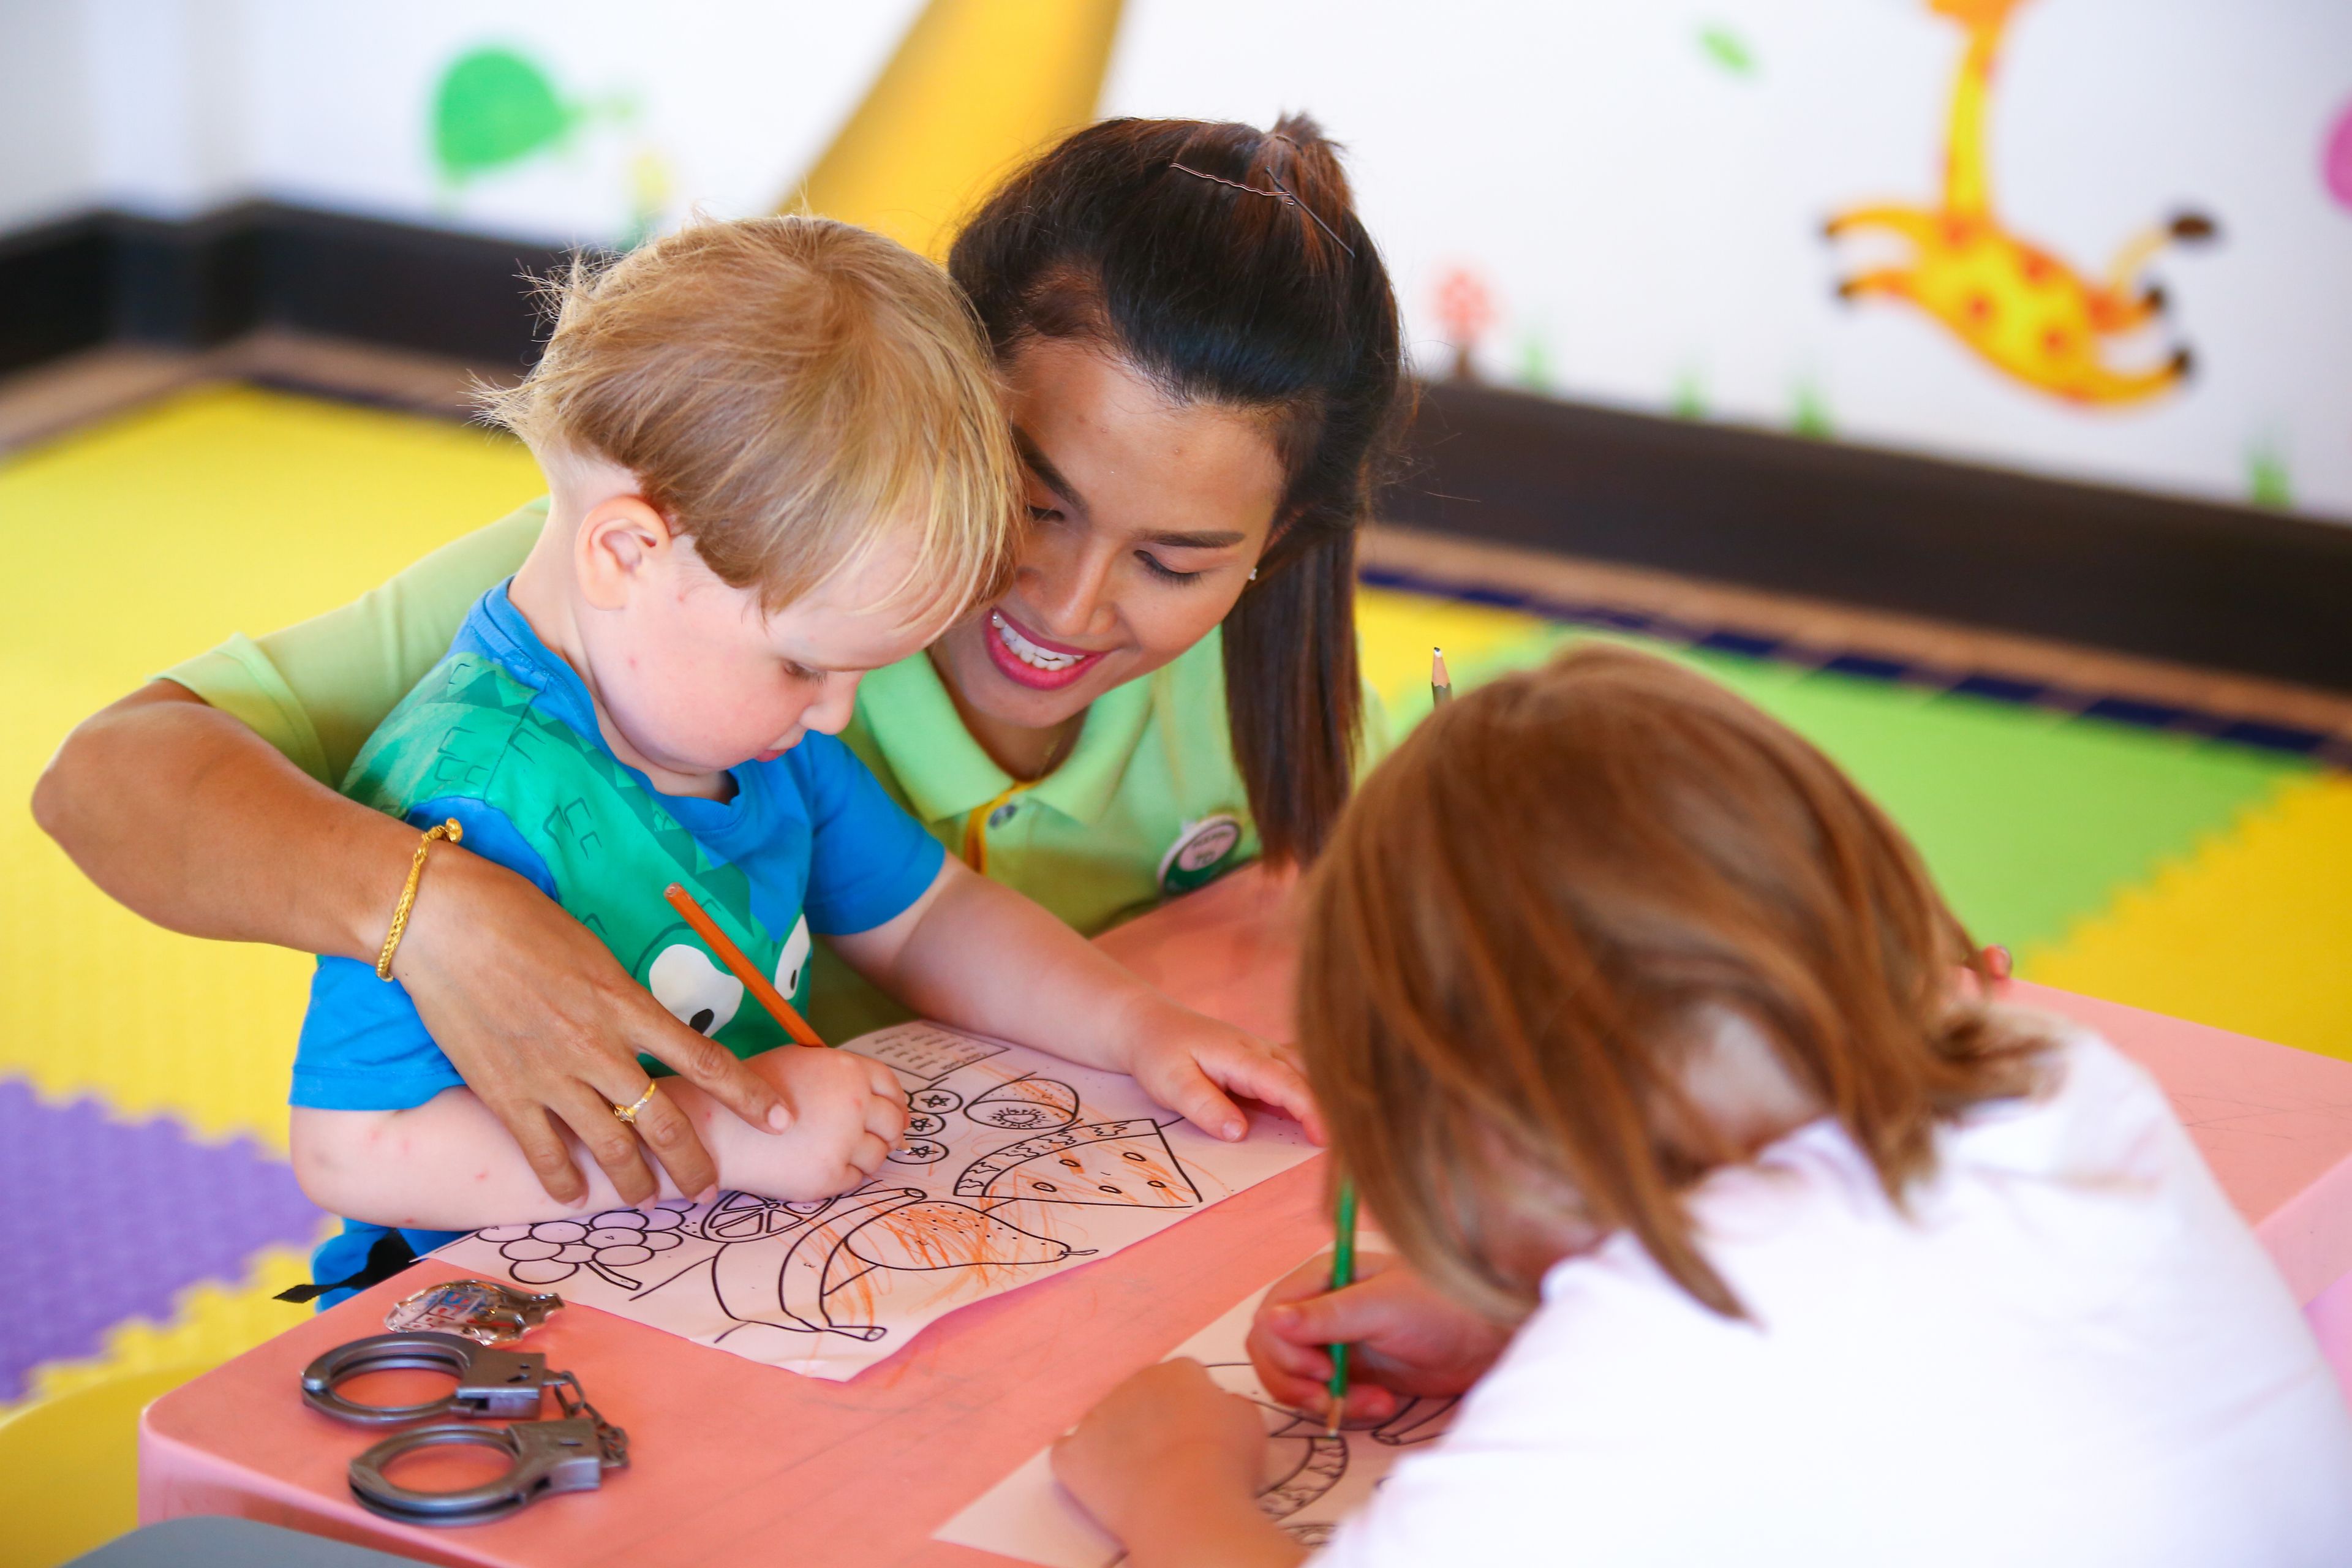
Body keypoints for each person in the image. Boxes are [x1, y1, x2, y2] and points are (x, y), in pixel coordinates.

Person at [32, 115, 1402, 1210]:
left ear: (1273, 551)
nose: (1069, 598)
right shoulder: (649, 575)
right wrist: (436, 912)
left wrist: (1141, 1025)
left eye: (1175, 562)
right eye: (1028, 501)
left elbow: (930, 916)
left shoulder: (1239, 683)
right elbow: (107, 775)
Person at [1050, 646, 2352, 1568]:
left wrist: (1172, 1481)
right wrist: (1530, 1312)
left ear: (1481, 1123)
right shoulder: (2046, 1070)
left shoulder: (1680, 1331)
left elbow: (1722, 1356)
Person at [281, 215, 1312, 1305]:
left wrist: (1135, 1027)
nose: (834, 717)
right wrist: (718, 1144)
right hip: (473, 1309)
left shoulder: (741, 734)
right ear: (626, 553)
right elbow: (355, 1147)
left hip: (710, 1276)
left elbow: (930, 918)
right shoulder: (473, 799)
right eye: (803, 667)